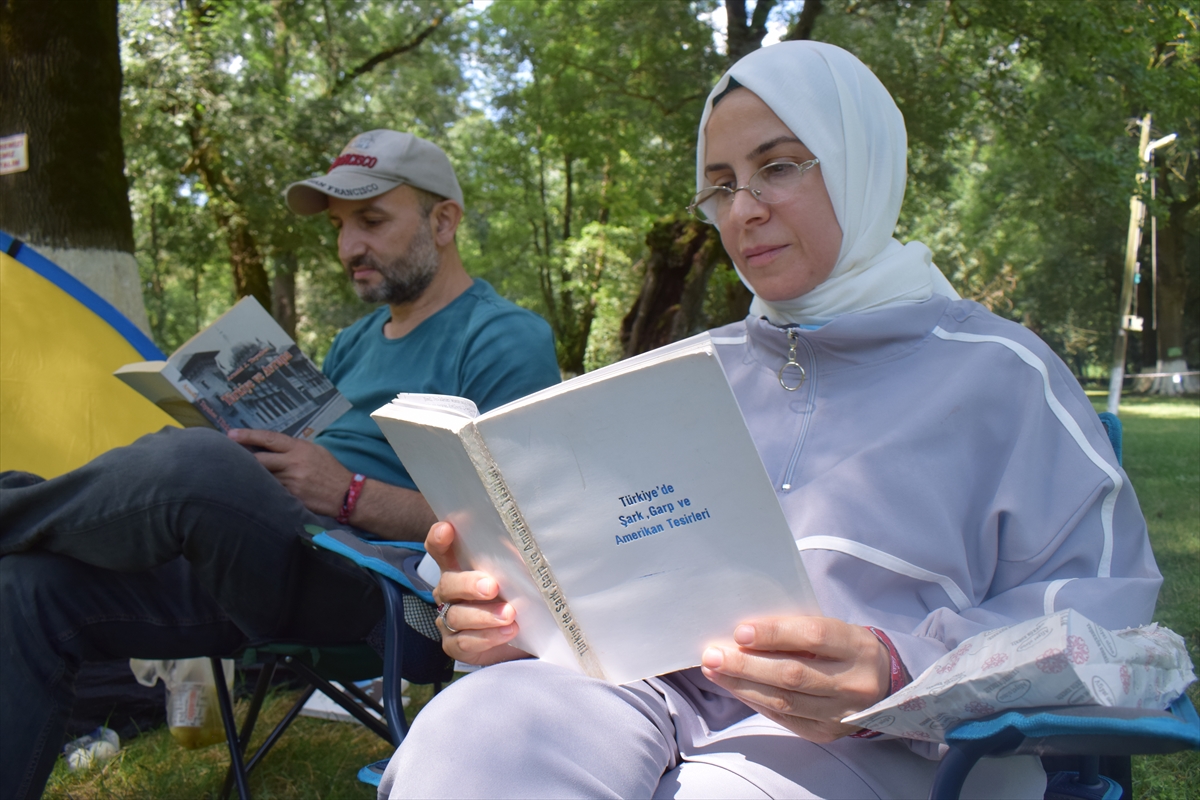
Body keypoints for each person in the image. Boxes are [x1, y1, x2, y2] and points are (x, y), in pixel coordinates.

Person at [375, 43, 1162, 800]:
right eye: (720, 184)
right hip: (646, 696)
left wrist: (901, 667)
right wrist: (505, 614)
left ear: (862, 162)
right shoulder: (678, 373)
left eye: (778, 167)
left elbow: (1109, 634)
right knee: (470, 740)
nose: (743, 210)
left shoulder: (1004, 375)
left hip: (893, 745)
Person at [0, 130, 561, 800]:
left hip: (386, 590)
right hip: (266, 553)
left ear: (443, 221)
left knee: (198, 467)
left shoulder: (501, 337)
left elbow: (517, 522)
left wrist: (347, 493)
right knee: (25, 585)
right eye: (339, 226)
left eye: (372, 221)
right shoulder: (355, 341)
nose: (349, 246)